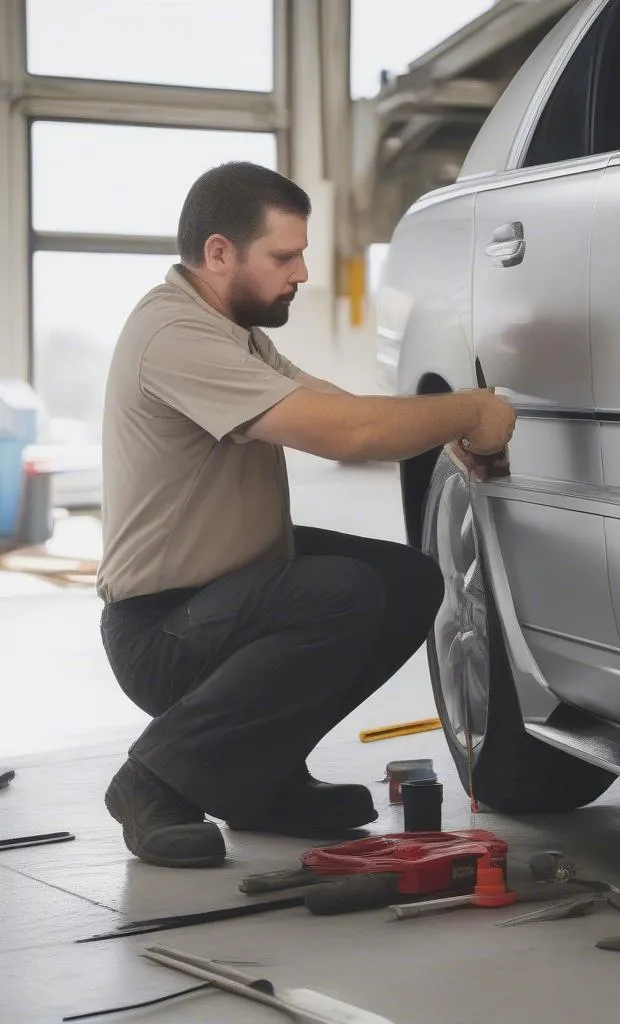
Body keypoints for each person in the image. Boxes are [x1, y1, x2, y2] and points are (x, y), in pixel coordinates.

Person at [97, 161, 516, 868]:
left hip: (219, 602)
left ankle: (257, 780)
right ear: (219, 253)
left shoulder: (238, 334)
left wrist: (438, 424)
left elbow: (342, 408)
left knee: (405, 580)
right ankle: (154, 780)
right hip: (162, 630)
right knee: (338, 594)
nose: (300, 273)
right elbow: (344, 433)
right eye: (283, 256)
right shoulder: (175, 335)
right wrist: (473, 407)